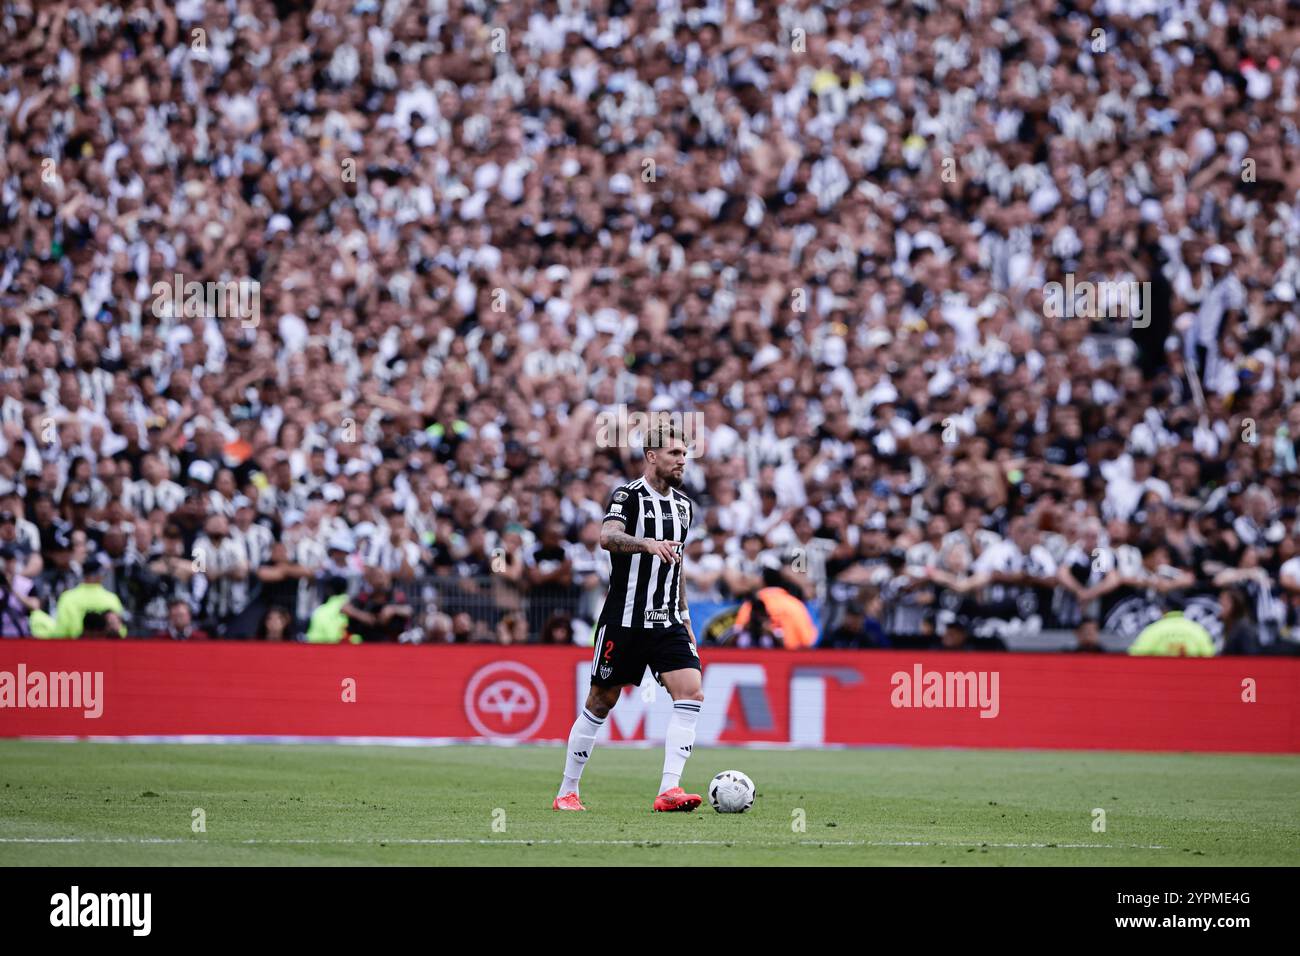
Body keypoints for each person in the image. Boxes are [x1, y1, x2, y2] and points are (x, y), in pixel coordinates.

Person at [554, 421, 704, 813]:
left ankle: (669, 789)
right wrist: (646, 544)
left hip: (668, 618)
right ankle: (568, 790)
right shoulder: (628, 495)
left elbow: (678, 563)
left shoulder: (685, 507)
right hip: (625, 619)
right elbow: (607, 537)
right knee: (602, 700)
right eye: (674, 453)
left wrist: (685, 615)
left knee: (691, 692)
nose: (681, 461)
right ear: (652, 456)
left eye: (685, 454)